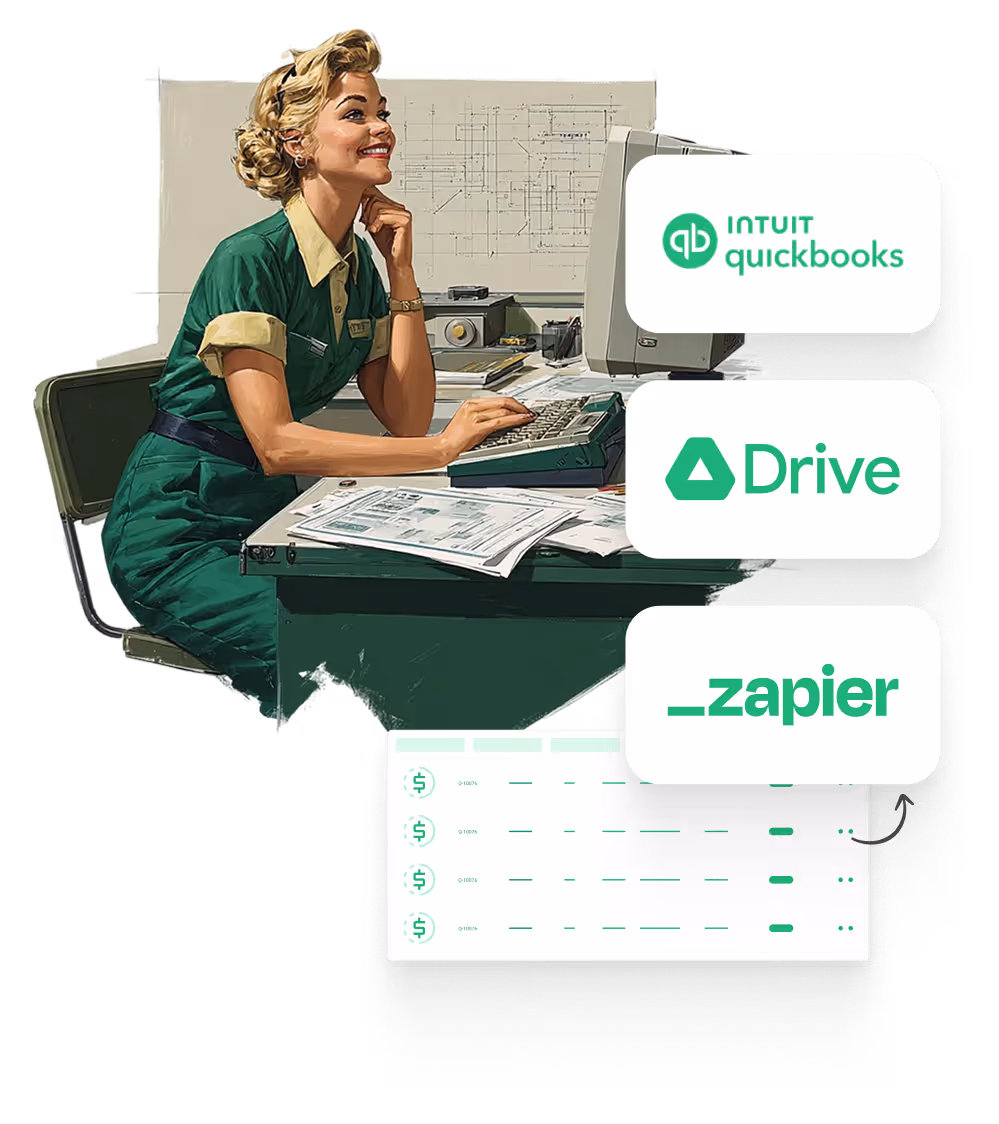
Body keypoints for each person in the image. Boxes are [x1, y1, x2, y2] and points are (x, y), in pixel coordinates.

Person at [101, 29, 533, 722]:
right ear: (299, 142)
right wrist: (439, 452)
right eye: (356, 113)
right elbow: (278, 444)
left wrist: (401, 271)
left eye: (382, 111)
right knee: (370, 658)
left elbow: (403, 414)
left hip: (268, 518)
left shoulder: (358, 265)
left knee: (451, 616)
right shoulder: (251, 259)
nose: (382, 128)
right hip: (177, 531)